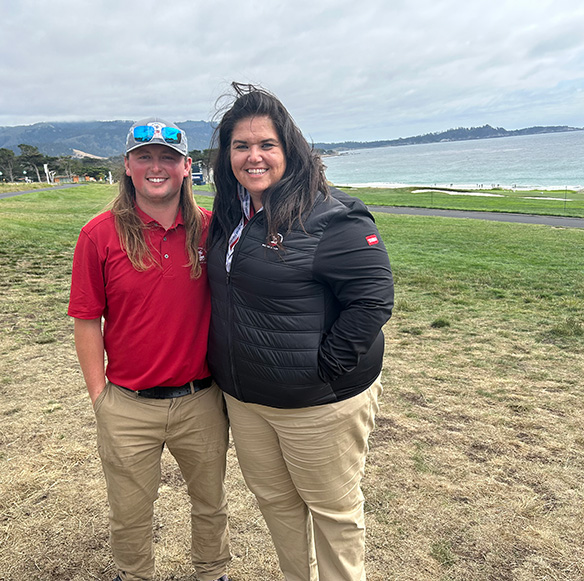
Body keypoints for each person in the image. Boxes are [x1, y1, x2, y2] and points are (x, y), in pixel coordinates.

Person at [206, 84, 394, 581]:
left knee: (333, 512)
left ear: (289, 149)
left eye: (266, 144)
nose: (254, 156)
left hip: (318, 404)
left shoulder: (332, 215)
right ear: (227, 156)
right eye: (241, 146)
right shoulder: (230, 216)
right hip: (246, 402)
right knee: (276, 505)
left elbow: (373, 300)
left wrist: (320, 370)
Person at [68, 118, 231, 581]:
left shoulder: (211, 230)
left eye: (167, 158)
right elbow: (85, 320)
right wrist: (100, 396)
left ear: (186, 167)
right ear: (127, 166)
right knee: (129, 512)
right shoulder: (98, 234)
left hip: (201, 399)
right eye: (144, 157)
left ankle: (212, 572)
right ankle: (133, 574)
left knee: (211, 503)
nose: (155, 166)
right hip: (128, 404)